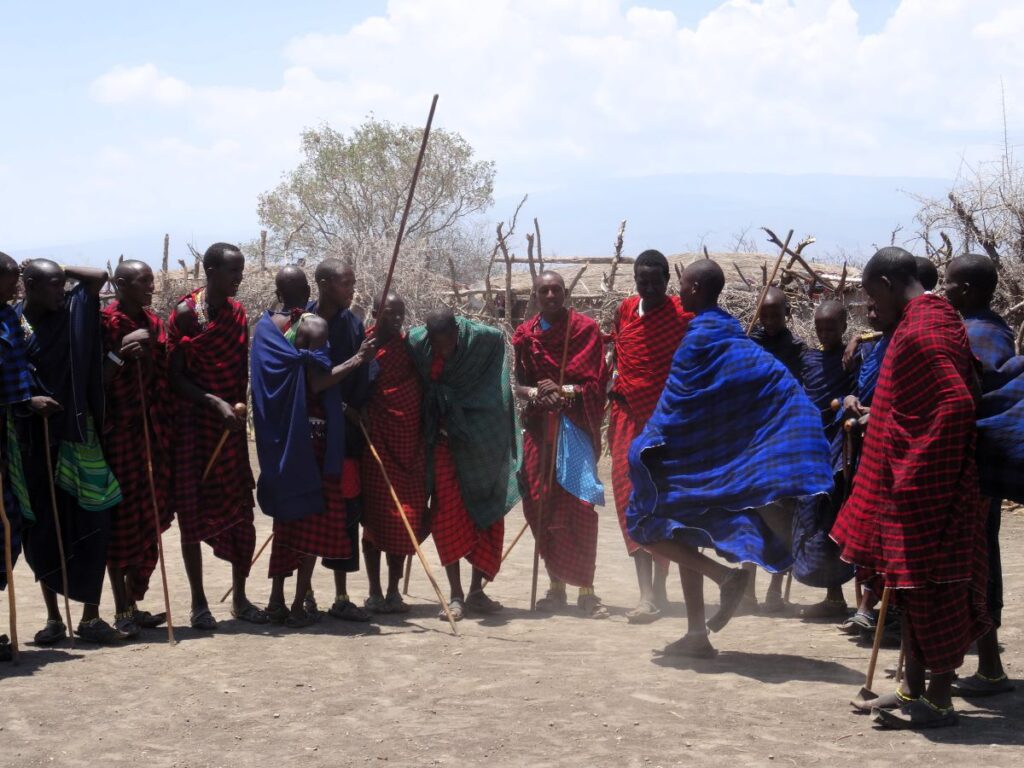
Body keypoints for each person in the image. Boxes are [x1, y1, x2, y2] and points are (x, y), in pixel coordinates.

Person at [626, 260, 832, 658]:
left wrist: (646, 444)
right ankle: (695, 634)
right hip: (703, 459)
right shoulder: (732, 335)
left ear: (697, 288)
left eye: (683, 285)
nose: (679, 292)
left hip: (693, 462)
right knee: (683, 530)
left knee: (644, 523)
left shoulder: (701, 338)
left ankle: (724, 577)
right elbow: (775, 386)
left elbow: (675, 408)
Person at [831, 247, 989, 730]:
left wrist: (912, 467)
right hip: (918, 485)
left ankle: (939, 704)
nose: (870, 308)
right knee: (909, 592)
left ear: (884, 281)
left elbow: (956, 404)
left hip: (927, 489)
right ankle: (910, 689)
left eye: (870, 296)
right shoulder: (930, 318)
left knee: (933, 593)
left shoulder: (923, 329)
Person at [253, 267, 376, 628]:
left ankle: (276, 600)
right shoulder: (315, 326)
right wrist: (357, 360)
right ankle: (295, 607)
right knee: (313, 518)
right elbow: (319, 382)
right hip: (318, 438)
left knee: (287, 522)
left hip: (283, 439)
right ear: (310, 289)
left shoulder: (264, 328)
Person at [17, 258, 124, 644]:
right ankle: (52, 619)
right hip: (35, 440)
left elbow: (99, 278)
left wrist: (60, 267)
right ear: (28, 285)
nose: (60, 293)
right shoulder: (12, 324)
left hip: (80, 437)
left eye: (63, 284)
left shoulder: (72, 309)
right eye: (51, 286)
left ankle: (91, 617)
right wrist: (30, 402)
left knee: (95, 522)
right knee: (44, 528)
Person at [167, 242, 267, 630]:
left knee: (241, 511)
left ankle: (240, 598)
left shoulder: (238, 314)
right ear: (210, 270)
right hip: (196, 426)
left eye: (240, 270)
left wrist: (234, 410)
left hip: (230, 430)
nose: (239, 278)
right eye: (232, 271)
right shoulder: (186, 316)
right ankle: (198, 604)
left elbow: (239, 371)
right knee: (191, 514)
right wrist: (213, 403)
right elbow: (174, 377)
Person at [408, 308, 519, 620]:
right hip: (443, 444)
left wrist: (463, 406)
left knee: (487, 515)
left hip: (479, 440)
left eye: (446, 343)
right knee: (447, 516)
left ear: (457, 331)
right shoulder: (419, 343)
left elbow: (496, 372)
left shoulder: (485, 339)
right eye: (436, 344)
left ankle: (476, 591)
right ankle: (455, 595)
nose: (441, 350)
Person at [513, 271, 609, 618]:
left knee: (580, 506)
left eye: (556, 290)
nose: (550, 295)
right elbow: (521, 387)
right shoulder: (526, 336)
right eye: (544, 290)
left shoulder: (584, 331)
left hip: (575, 431)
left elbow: (597, 386)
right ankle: (556, 588)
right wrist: (540, 393)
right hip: (540, 429)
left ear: (566, 293)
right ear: (536, 296)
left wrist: (564, 391)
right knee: (541, 504)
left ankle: (587, 590)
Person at [943, 253, 1017, 696]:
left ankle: (984, 668)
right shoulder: (989, 331)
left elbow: (972, 401)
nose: (942, 290)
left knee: (973, 564)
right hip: (974, 469)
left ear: (968, 290)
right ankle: (981, 665)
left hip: (971, 471)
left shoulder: (978, 337)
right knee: (976, 561)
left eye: (949, 283)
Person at [607, 250, 692, 623]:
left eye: (656, 282)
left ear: (667, 282)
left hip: (665, 424)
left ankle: (659, 588)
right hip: (626, 420)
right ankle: (645, 594)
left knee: (661, 504)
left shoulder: (682, 316)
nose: (650, 288)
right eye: (643, 282)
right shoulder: (626, 311)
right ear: (635, 281)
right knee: (630, 500)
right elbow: (617, 354)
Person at [100, 260, 173, 637]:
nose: (151, 287)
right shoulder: (105, 325)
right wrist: (120, 355)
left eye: (152, 280)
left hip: (154, 433)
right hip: (121, 436)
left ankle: (133, 601)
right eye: (143, 282)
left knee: (150, 518)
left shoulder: (156, 324)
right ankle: (121, 608)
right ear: (121, 284)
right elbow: (92, 382)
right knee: (123, 523)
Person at [305, 259, 374, 621]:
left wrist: (354, 405)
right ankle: (305, 594)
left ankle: (342, 595)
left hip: (344, 437)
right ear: (324, 284)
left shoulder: (353, 325)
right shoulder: (303, 321)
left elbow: (363, 381)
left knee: (345, 511)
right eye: (345, 283)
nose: (351, 289)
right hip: (308, 432)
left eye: (352, 282)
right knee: (307, 509)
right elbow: (304, 378)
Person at [790, 300, 857, 618]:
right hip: (811, 444)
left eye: (832, 328)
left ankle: (836, 595)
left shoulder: (853, 358)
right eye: (820, 328)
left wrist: (860, 339)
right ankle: (831, 594)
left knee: (834, 516)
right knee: (809, 514)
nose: (825, 333)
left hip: (839, 447)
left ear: (845, 327)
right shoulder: (807, 358)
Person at [361, 293, 427, 614]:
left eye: (401, 313)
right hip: (376, 442)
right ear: (375, 313)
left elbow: (424, 386)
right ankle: (374, 590)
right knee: (376, 520)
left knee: (405, 520)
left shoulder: (411, 348)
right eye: (390, 313)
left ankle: (393, 590)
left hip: (409, 446)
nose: (397, 319)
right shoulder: (364, 345)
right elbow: (355, 389)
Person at [747, 286, 808, 613]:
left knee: (781, 515)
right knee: (750, 514)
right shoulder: (748, 344)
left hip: (782, 441)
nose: (769, 320)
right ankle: (747, 589)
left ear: (788, 313)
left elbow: (802, 392)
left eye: (776, 314)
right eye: (764, 314)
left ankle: (774, 588)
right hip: (751, 442)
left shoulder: (797, 350)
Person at [0, 252, 35, 660]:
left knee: (9, 529)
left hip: (11, 431)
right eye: (10, 281)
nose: (16, 288)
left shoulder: (11, 318)